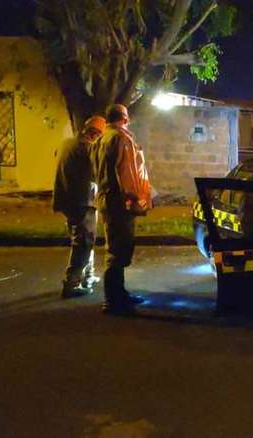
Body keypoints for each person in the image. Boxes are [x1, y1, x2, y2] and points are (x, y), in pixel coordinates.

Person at [94, 104, 148, 315]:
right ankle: (113, 300)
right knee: (117, 250)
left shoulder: (101, 138)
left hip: (109, 199)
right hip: (119, 202)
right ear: (124, 118)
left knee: (118, 247)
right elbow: (121, 172)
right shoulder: (118, 139)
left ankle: (119, 294)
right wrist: (131, 198)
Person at [52, 116, 106, 298]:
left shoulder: (68, 143)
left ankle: (87, 276)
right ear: (96, 133)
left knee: (83, 238)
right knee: (83, 242)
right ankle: (72, 283)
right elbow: (98, 170)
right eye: (100, 134)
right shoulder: (86, 147)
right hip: (81, 201)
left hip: (68, 198)